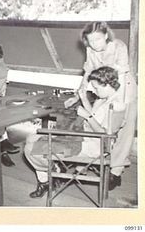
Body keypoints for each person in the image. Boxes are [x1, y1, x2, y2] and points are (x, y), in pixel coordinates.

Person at [24, 66, 127, 198]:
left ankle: (50, 175)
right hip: (84, 134)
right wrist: (83, 99)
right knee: (31, 138)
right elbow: (95, 114)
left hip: (93, 144)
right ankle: (50, 173)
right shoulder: (105, 98)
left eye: (96, 88)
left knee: (31, 150)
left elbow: (106, 135)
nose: (94, 91)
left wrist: (87, 117)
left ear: (107, 85)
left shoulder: (117, 105)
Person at [64, 22, 137, 184]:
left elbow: (123, 76)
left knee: (124, 131)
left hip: (124, 89)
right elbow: (87, 74)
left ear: (105, 35)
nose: (94, 44)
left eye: (97, 39)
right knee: (94, 119)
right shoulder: (91, 50)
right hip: (104, 89)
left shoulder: (118, 46)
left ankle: (116, 172)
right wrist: (77, 96)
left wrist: (121, 105)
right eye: (90, 41)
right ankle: (83, 164)